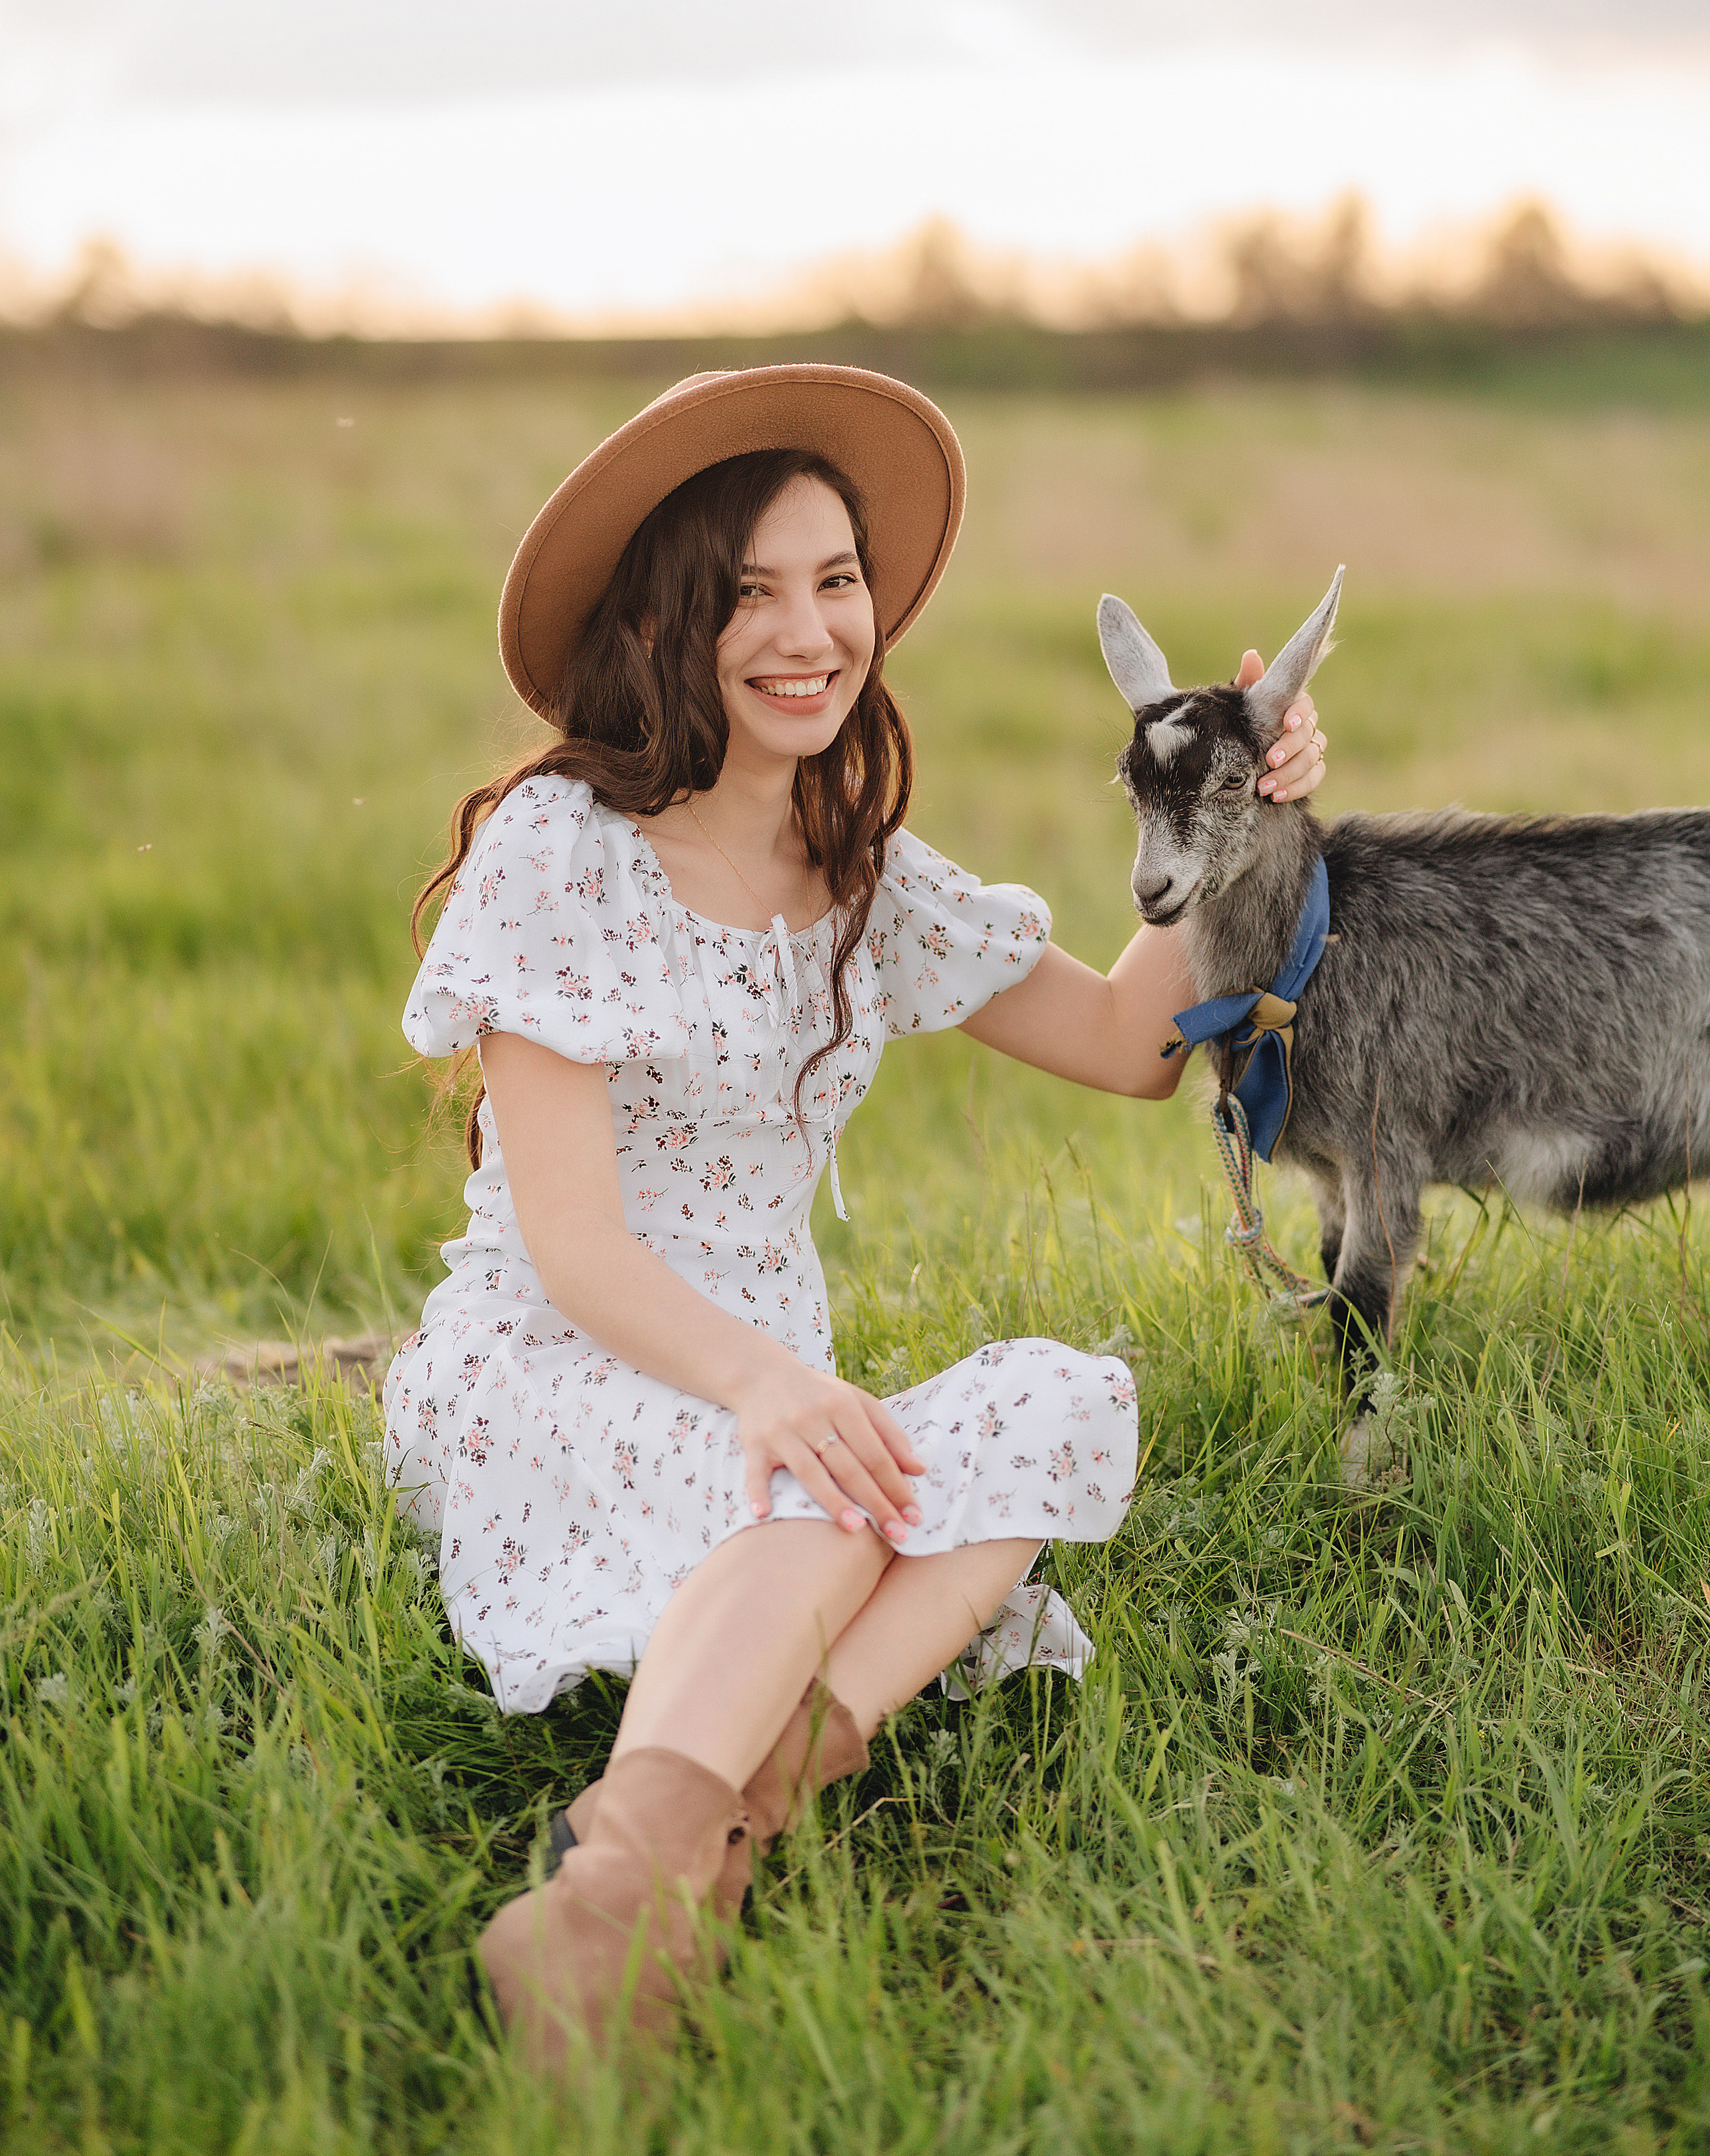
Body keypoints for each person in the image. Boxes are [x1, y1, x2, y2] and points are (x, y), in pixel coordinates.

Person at [384, 364, 1326, 2063]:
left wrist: (1237, 809)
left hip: (774, 1384)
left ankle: (735, 1810)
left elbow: (1124, 1042)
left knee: (1058, 1397)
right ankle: (615, 1909)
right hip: (565, 1352)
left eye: (833, 581)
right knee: (825, 1502)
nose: (806, 630)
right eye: (746, 592)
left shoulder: (860, 867)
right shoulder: (561, 850)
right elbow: (576, 1245)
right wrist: (763, 1383)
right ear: (667, 621)